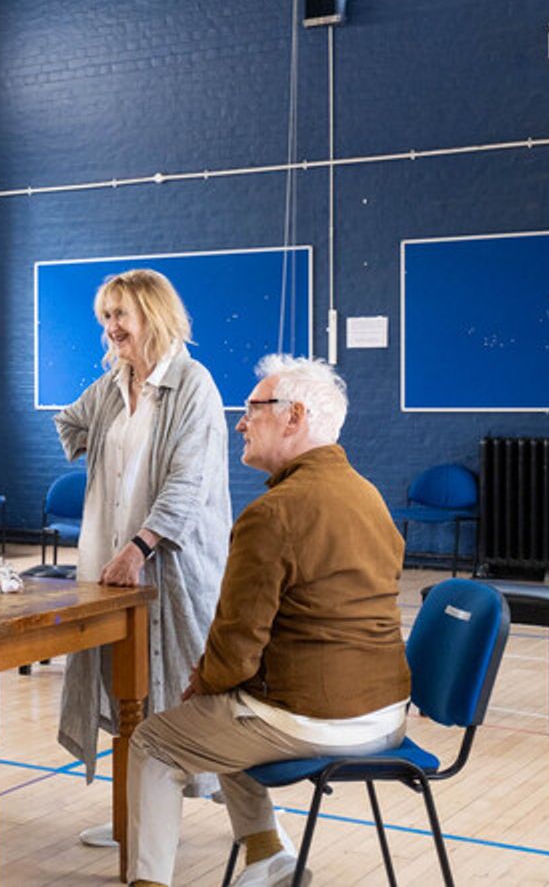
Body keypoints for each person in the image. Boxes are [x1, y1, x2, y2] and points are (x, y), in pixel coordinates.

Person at [125, 355, 411, 887]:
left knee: (155, 740)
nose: (239, 422)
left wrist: (203, 683)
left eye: (252, 409)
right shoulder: (370, 497)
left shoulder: (272, 513)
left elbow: (236, 647)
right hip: (386, 715)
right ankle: (266, 856)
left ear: (293, 417)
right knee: (224, 706)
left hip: (319, 719)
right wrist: (215, 687)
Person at [52, 269, 230, 847]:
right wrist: (89, 446)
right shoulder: (111, 386)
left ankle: (258, 828)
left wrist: (140, 547)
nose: (110, 328)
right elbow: (70, 422)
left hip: (170, 567)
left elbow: (188, 483)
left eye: (119, 315)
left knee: (190, 694)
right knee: (130, 693)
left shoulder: (193, 385)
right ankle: (138, 818)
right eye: (105, 317)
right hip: (113, 567)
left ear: (152, 315)